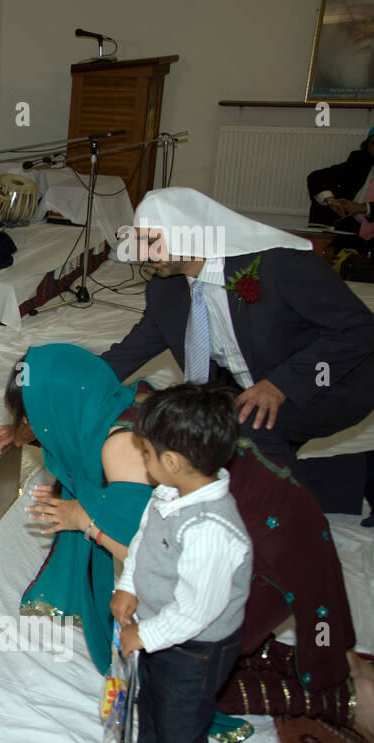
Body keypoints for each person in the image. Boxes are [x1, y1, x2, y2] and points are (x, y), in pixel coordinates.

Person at [0, 343, 371, 743]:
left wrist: (84, 521)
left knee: (175, 684)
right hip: (294, 521)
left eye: (34, 415)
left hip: (258, 560)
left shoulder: (122, 449)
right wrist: (21, 433)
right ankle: (339, 665)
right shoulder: (133, 402)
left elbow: (163, 558)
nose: (34, 425)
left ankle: (345, 699)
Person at [101, 187, 374, 516]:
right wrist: (66, 382)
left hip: (334, 381)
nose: (144, 253)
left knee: (241, 436)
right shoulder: (165, 288)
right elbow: (131, 350)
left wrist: (282, 384)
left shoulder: (278, 265)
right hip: (251, 383)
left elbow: (359, 329)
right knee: (200, 441)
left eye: (152, 241)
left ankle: (351, 482)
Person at [109, 384, 250, 743]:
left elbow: (196, 611)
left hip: (196, 650)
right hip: (160, 631)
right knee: (150, 703)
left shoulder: (210, 530)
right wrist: (129, 584)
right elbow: (143, 542)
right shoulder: (169, 493)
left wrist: (144, 636)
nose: (144, 461)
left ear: (170, 461)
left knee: (181, 730)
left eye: (146, 453)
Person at [307, 126, 374, 257]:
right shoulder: (359, 161)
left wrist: (364, 208)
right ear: (367, 147)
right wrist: (331, 200)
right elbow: (318, 176)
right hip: (349, 225)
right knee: (322, 201)